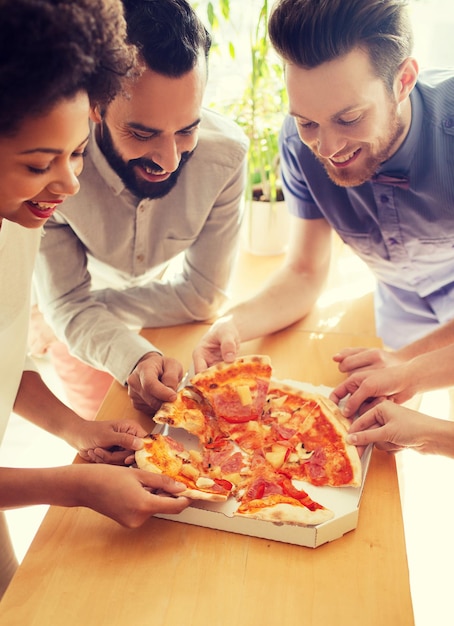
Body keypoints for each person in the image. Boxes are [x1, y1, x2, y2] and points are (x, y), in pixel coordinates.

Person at [0, 0, 189, 599]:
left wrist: (75, 428)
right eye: (38, 163)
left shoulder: (21, 215)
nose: (70, 183)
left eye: (78, 152)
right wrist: (75, 486)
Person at [192, 0, 454, 378]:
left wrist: (409, 363)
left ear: (404, 81)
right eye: (307, 122)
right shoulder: (299, 147)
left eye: (349, 118)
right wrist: (234, 324)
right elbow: (304, 272)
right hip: (396, 312)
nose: (327, 150)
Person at [32, 0, 248, 418]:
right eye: (142, 132)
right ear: (95, 107)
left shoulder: (227, 157)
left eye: (188, 129)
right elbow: (68, 309)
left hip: (151, 325)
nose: (168, 160)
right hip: (74, 341)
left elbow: (204, 298)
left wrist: (72, 310)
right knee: (99, 440)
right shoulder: (53, 169)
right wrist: (81, 323)